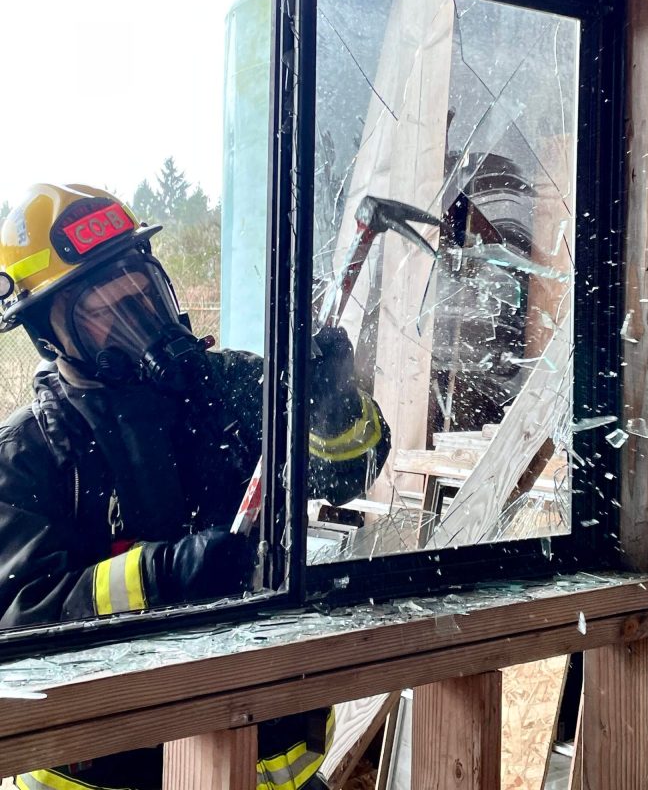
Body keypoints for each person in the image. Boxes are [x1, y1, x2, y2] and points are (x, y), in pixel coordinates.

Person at [0, 183, 391, 790]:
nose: (140, 321)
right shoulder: (29, 455)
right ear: (49, 336)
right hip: (109, 773)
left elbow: (355, 464)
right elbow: (17, 618)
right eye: (105, 311)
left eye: (144, 292)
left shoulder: (229, 386)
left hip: (269, 766)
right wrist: (160, 577)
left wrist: (329, 400)